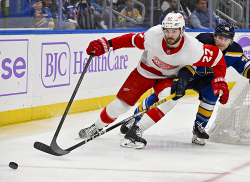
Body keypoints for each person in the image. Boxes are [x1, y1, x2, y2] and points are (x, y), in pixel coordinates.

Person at [78, 13, 229, 149]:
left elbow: (217, 59)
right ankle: (96, 127)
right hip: (145, 72)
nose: (170, 35)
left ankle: (136, 130)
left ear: (182, 31)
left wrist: (220, 80)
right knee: (120, 106)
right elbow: (130, 40)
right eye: (167, 30)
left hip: (168, 78)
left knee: (171, 97)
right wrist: (107, 45)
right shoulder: (153, 35)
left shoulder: (193, 49)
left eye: (174, 31)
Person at [120, 21, 250, 146]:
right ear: (214, 35)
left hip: (205, 80)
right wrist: (182, 79)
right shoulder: (202, 41)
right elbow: (188, 63)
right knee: (166, 95)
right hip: (185, 74)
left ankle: (199, 127)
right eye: (220, 37)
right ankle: (135, 118)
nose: (222, 42)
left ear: (232, 41)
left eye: (226, 39)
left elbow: (246, 64)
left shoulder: (235, 51)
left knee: (213, 91)